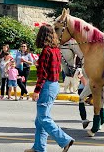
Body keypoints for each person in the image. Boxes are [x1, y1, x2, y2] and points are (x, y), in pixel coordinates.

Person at [25, 24, 74, 152]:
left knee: (44, 118)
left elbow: (43, 74)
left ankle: (65, 140)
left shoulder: (46, 51)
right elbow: (56, 69)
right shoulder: (56, 50)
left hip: (47, 85)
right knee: (39, 120)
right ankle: (38, 147)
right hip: (54, 84)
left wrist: (36, 91)